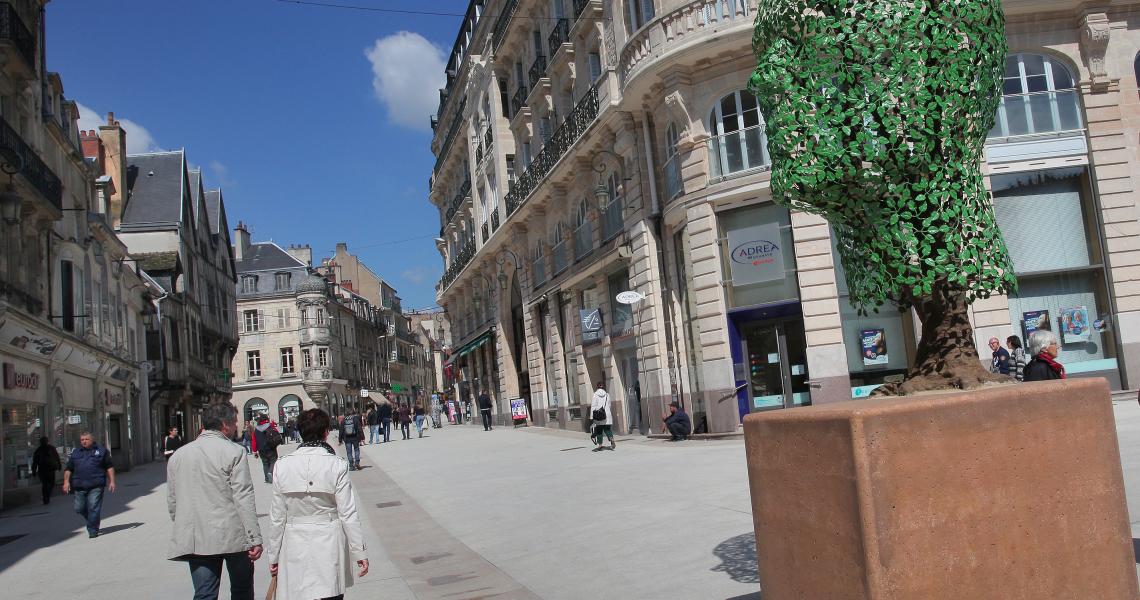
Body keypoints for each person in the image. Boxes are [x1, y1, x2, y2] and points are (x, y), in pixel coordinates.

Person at [267, 408, 368, 600]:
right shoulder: (336, 464)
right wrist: (359, 552)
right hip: (328, 540)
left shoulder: (283, 465)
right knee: (329, 592)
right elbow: (348, 513)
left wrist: (273, 554)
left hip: (294, 541)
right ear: (326, 432)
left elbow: (277, 516)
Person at [167, 403, 263, 600]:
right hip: (233, 534)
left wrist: (185, 524)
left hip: (197, 536)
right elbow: (243, 496)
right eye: (235, 422)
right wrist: (254, 538)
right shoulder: (234, 451)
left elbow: (173, 501)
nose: (237, 427)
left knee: (205, 593)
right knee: (241, 589)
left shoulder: (179, 456)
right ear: (224, 425)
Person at [62, 432, 116, 538]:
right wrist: (66, 482)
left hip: (96, 485)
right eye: (82, 440)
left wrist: (112, 481)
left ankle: (92, 530)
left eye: (86, 439)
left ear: (92, 440)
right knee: (79, 508)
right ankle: (93, 521)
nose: (84, 441)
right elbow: (69, 469)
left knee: (94, 507)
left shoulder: (101, 451)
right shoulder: (76, 452)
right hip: (79, 485)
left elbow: (109, 467)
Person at [251, 415, 283, 484]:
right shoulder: (270, 426)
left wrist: (254, 451)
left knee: (265, 463)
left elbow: (254, 441)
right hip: (271, 448)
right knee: (273, 460)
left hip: (261, 449)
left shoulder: (256, 429)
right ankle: (270, 472)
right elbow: (276, 434)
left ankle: (266, 479)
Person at [31, 437, 61, 505]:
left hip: (42, 470)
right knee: (51, 483)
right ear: (47, 441)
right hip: (50, 469)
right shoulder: (51, 448)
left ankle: (46, 497)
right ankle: (47, 495)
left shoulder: (38, 450)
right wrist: (59, 465)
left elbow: (35, 462)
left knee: (45, 484)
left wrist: (34, 471)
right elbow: (57, 457)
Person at [590, 382, 615, 451]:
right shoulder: (607, 395)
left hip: (599, 416)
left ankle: (600, 445)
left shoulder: (595, 395)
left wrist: (592, 417)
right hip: (607, 415)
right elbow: (609, 405)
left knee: (599, 431)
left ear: (597, 387)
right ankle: (612, 439)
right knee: (607, 429)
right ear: (602, 387)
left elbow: (593, 406)